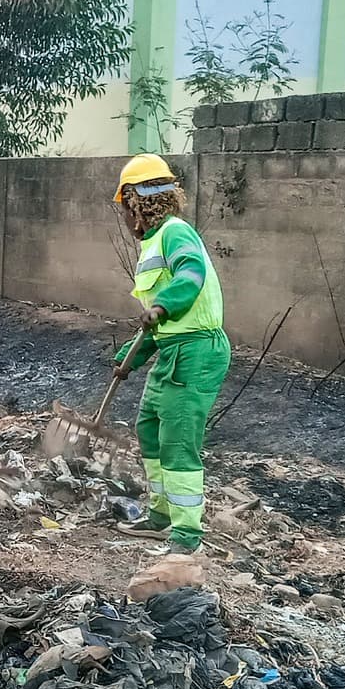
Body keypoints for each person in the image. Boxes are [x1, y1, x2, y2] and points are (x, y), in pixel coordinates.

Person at [110, 154, 229, 554]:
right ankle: (161, 516)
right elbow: (155, 325)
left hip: (196, 351)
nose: (125, 219)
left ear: (137, 202)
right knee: (149, 429)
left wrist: (163, 305)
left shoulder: (176, 233)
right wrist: (129, 357)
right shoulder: (154, 243)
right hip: (173, 350)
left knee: (178, 440)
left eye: (125, 209)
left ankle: (186, 535)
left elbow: (190, 274)